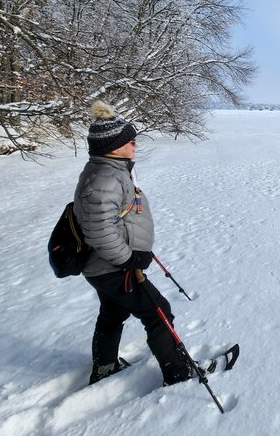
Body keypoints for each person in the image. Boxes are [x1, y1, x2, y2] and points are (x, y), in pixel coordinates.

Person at [73, 100, 193, 385]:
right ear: (114, 145)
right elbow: (100, 231)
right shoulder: (105, 178)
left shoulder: (109, 170)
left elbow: (116, 218)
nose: (135, 145)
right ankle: (179, 374)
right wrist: (130, 259)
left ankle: (105, 366)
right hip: (113, 267)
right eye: (130, 140)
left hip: (104, 265)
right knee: (158, 311)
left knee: (113, 311)